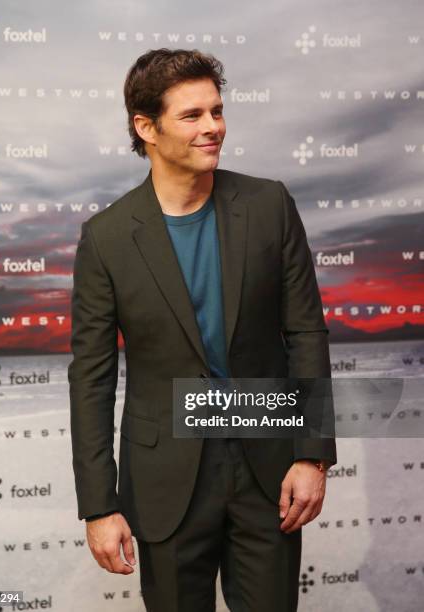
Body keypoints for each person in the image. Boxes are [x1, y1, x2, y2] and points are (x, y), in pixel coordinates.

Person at [68, 48, 337, 612]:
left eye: (216, 111)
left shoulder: (268, 205)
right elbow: (91, 379)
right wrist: (99, 505)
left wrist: (312, 454)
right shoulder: (108, 237)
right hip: (166, 474)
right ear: (146, 127)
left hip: (268, 465)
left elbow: (306, 334)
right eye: (192, 116)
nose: (213, 127)